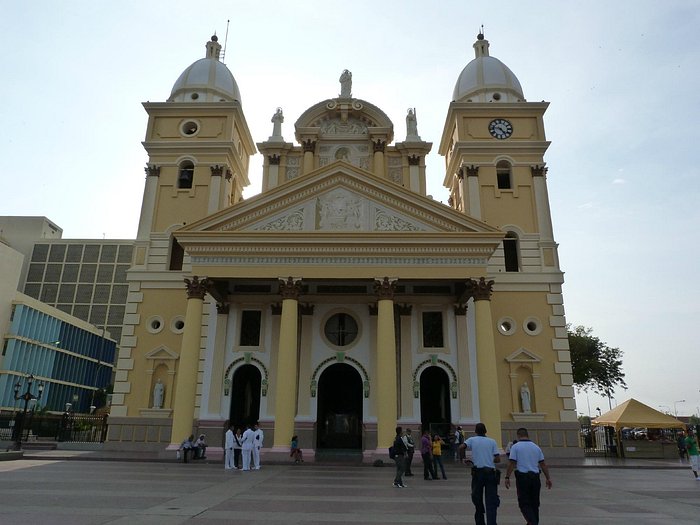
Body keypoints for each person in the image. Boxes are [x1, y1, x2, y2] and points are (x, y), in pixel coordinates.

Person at [504, 427, 552, 525]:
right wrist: (548, 478)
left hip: (523, 478)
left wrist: (507, 477)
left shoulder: (515, 447)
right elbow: (543, 464)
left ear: (518, 436)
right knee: (534, 504)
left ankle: (532, 522)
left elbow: (512, 463)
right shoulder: (536, 447)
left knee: (524, 503)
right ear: (527, 435)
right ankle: (533, 522)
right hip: (535, 478)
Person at [463, 423, 500, 525]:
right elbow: (497, 459)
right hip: (490, 473)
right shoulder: (492, 441)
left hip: (477, 473)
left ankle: (480, 520)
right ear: (485, 431)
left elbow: (461, 447)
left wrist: (464, 459)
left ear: (475, 431)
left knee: (477, 497)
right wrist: (489, 459)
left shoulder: (472, 440)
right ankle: (492, 522)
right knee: (491, 500)